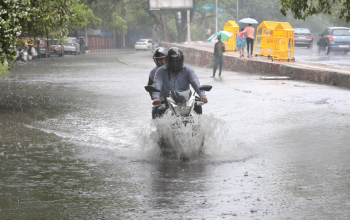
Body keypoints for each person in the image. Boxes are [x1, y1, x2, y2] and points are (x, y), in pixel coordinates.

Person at [152, 47, 207, 117]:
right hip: (167, 101)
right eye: (172, 62)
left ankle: (198, 126)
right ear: (167, 60)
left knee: (198, 106)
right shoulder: (160, 71)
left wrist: (202, 95)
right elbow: (157, 85)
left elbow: (195, 82)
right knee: (156, 110)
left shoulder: (188, 70)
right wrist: (156, 98)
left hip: (186, 102)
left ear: (181, 60)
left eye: (176, 61)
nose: (174, 64)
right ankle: (158, 127)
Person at [148, 47, 168, 119]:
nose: (159, 61)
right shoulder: (153, 72)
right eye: (157, 60)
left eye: (161, 59)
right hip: (161, 101)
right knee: (155, 111)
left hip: (175, 99)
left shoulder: (172, 69)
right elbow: (149, 85)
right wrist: (154, 98)